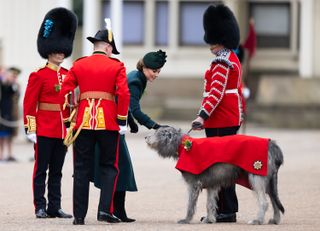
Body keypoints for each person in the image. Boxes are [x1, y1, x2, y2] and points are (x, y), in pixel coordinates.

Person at [60, 27, 130, 225]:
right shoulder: (117, 66)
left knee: (81, 168)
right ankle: (104, 211)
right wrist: (122, 120)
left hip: (82, 122)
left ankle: (79, 216)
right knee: (109, 166)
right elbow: (123, 94)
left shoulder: (79, 64)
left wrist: (67, 120)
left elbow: (65, 92)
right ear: (108, 47)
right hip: (108, 121)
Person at [92, 49, 167, 223]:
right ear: (144, 67)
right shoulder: (135, 80)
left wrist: (131, 123)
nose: (156, 74)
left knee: (121, 169)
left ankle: (117, 210)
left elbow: (126, 105)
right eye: (154, 71)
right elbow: (135, 109)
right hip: (113, 126)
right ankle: (112, 211)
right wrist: (155, 126)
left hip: (117, 124)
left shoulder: (138, 76)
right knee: (120, 168)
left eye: (158, 71)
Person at [191, 4, 245, 223]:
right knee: (222, 166)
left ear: (218, 38)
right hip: (224, 118)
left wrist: (202, 116)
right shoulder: (229, 57)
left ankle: (224, 210)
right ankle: (225, 209)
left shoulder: (222, 61)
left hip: (220, 119)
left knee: (218, 167)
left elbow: (216, 93)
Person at [23, 7, 77, 219]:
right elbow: (29, 104)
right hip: (44, 128)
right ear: (49, 50)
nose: (60, 53)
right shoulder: (39, 75)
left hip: (62, 130)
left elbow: (70, 103)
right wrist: (30, 128)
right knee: (40, 170)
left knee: (57, 171)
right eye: (56, 50)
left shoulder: (68, 75)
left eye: (63, 50)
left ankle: (55, 206)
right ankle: (40, 206)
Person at [0, 67, 21, 162]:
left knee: (10, 135)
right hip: (3, 111)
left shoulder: (15, 85)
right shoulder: (3, 84)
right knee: (2, 135)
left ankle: (10, 154)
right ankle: (1, 154)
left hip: (12, 112)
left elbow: (16, 95)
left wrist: (14, 83)